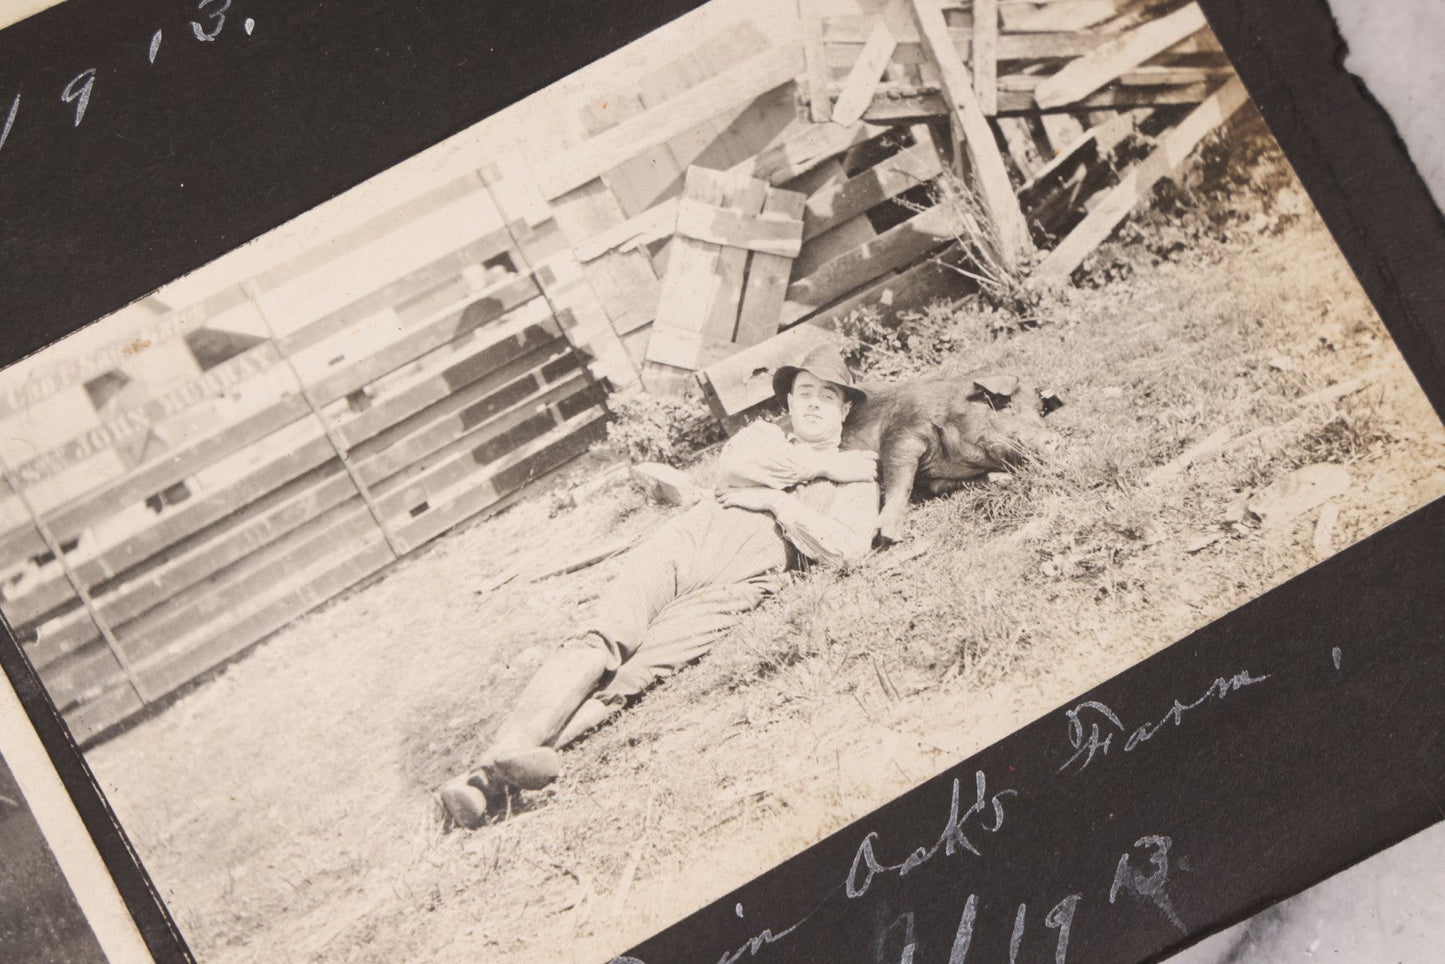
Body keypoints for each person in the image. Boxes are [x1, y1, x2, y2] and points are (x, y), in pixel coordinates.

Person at [440, 344, 880, 828]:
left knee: (638, 671)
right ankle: (506, 756)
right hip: (686, 545)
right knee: (609, 634)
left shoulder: (858, 476)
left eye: (827, 395)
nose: (813, 403)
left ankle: (488, 779)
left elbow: (849, 549)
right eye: (805, 392)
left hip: (738, 586)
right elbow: (732, 470)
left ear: (845, 409)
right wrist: (819, 466)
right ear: (790, 401)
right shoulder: (763, 437)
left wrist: (778, 504)